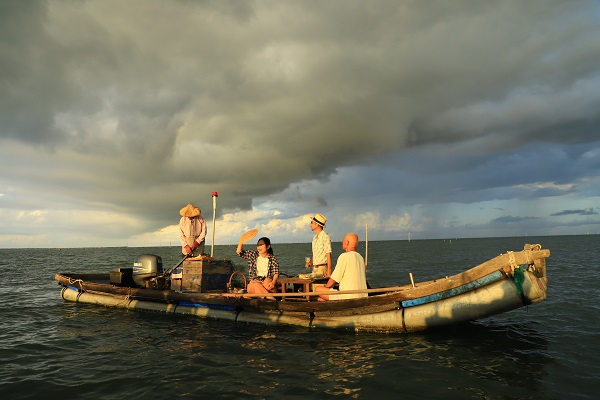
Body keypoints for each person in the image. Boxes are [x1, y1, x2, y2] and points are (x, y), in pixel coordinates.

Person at [315, 233, 368, 301]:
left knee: (318, 289)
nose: (342, 242)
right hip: (363, 295)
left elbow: (334, 279)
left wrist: (326, 290)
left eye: (343, 240)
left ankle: (325, 299)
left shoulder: (344, 256)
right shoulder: (360, 257)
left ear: (347, 242)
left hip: (347, 296)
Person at [305, 213, 332, 278]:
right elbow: (316, 254)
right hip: (315, 268)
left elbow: (328, 255)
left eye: (312, 222)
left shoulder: (325, 237)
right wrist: (311, 263)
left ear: (317, 224)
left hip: (322, 268)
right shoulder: (314, 238)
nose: (310, 224)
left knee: (320, 287)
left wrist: (329, 271)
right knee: (315, 288)